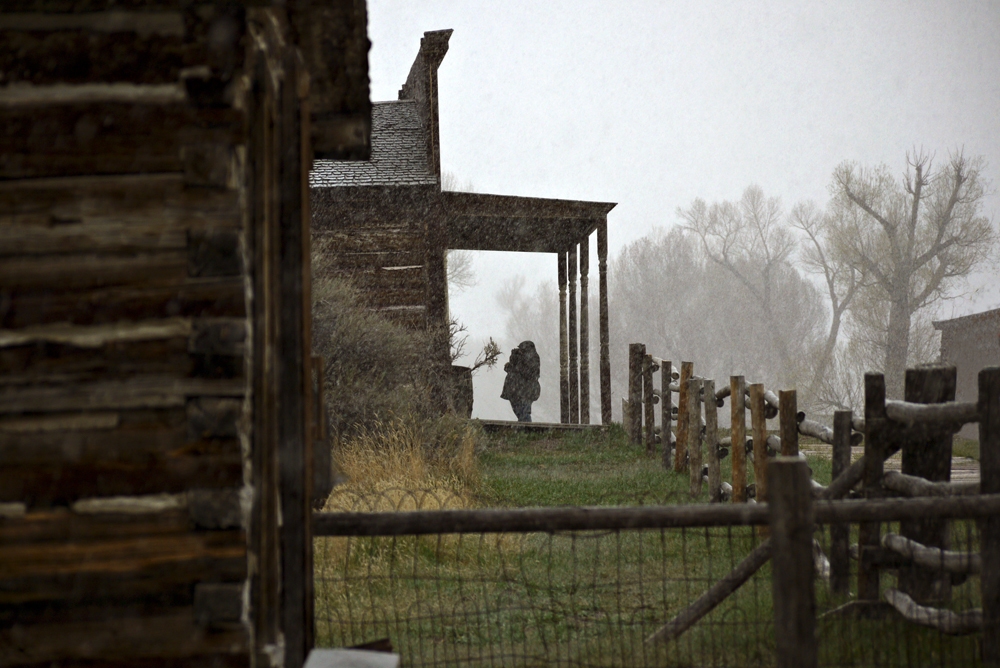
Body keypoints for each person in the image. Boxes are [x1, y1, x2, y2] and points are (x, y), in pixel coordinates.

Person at [500, 341, 540, 422]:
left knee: (523, 414)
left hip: (522, 391)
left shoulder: (530, 357)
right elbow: (523, 372)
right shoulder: (526, 357)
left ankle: (526, 431)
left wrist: (513, 367)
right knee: (522, 414)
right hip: (518, 391)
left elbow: (528, 373)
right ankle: (526, 431)